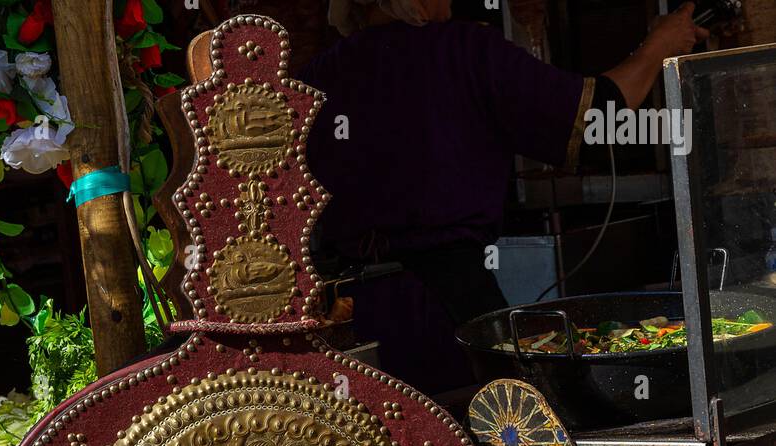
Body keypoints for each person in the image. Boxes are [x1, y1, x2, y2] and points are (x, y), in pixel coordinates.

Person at [302, 0, 709, 394]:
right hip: (449, 317)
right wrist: (661, 45)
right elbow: (596, 120)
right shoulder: (462, 51)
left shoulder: (315, 74)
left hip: (344, 325)